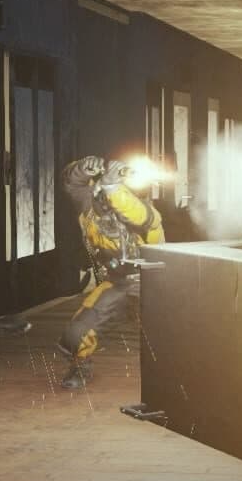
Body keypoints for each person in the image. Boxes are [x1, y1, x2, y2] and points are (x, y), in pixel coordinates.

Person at [57, 154, 164, 388]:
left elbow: (134, 212)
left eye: (110, 198)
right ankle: (80, 367)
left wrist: (112, 187)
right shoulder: (90, 208)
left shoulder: (146, 213)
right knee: (77, 332)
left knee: (184, 332)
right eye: (101, 198)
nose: (105, 206)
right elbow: (71, 183)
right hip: (118, 282)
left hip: (155, 284)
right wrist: (84, 168)